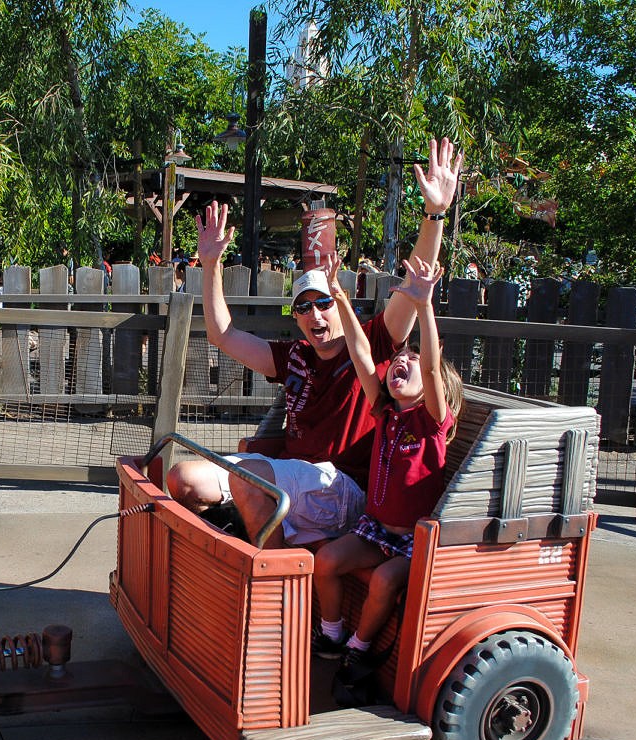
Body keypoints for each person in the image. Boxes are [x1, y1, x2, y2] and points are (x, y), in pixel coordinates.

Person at [165, 137, 463, 548]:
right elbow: (223, 334)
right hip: (291, 477)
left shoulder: (375, 342)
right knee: (181, 479)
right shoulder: (296, 357)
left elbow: (416, 283)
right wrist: (212, 262)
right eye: (302, 308)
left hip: (341, 486)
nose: (313, 315)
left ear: (339, 303)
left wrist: (434, 214)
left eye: (322, 303)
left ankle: (272, 589)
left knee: (248, 483)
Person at [311, 254, 463, 675]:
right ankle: (333, 633)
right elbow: (361, 353)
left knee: (383, 581)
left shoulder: (431, 419)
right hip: (374, 529)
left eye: (409, 362)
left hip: (413, 541)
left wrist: (424, 305)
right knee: (325, 561)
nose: (404, 361)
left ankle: (358, 649)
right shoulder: (385, 412)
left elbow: (431, 367)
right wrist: (339, 294)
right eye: (399, 359)